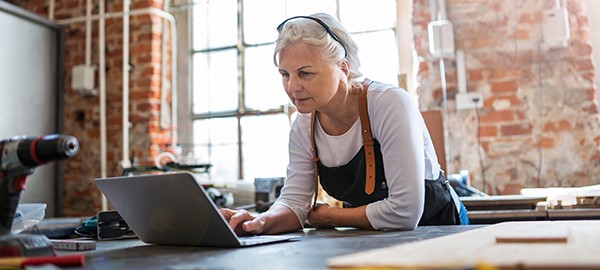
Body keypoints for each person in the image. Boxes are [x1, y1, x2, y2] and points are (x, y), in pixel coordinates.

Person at [219, 13, 469, 236]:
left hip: (440, 233)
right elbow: (295, 203)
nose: (292, 87)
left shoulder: (389, 103)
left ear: (344, 68)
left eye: (305, 73)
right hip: (371, 240)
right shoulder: (303, 125)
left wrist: (331, 217)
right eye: (285, 74)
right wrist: (260, 222)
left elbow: (405, 212)